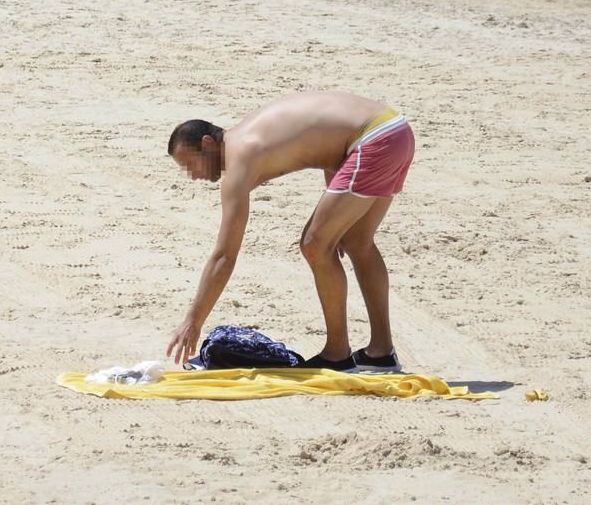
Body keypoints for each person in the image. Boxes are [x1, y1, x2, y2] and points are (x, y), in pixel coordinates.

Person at [164, 91, 417, 371]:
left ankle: (337, 354)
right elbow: (330, 148)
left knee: (314, 244)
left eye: (190, 164)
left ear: (208, 143)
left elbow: (225, 256)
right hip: (395, 130)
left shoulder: (239, 160)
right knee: (358, 242)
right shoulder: (249, 132)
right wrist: (339, 219)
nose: (194, 176)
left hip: (373, 140)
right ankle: (381, 352)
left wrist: (193, 320)